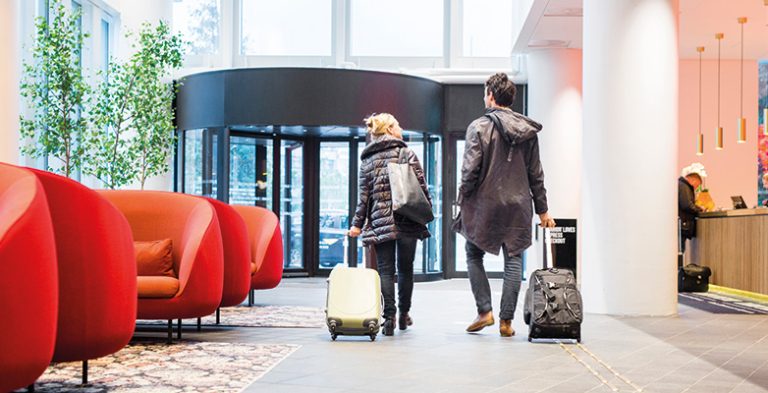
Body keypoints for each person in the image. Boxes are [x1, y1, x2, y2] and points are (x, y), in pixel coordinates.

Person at [453, 73, 555, 337]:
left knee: (473, 253)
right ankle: (506, 323)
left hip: (485, 205)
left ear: (490, 96)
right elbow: (536, 174)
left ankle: (484, 311)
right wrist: (543, 210)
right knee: (514, 258)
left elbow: (469, 171)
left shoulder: (478, 127)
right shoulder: (528, 132)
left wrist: (463, 198)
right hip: (518, 206)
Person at [348, 113, 431, 336]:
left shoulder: (367, 161)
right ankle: (404, 314)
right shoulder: (406, 153)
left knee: (385, 271)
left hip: (380, 221)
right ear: (390, 129)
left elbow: (363, 199)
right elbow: (421, 187)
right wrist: (426, 212)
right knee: (405, 269)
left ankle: (389, 319)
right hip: (407, 219)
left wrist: (357, 225)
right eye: (398, 125)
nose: (401, 128)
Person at [678, 163, 706, 253]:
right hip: (683, 224)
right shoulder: (684, 187)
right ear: (693, 180)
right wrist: (700, 209)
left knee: (680, 250)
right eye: (697, 185)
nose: (696, 188)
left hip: (682, 224)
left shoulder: (682, 185)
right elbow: (687, 205)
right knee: (680, 251)